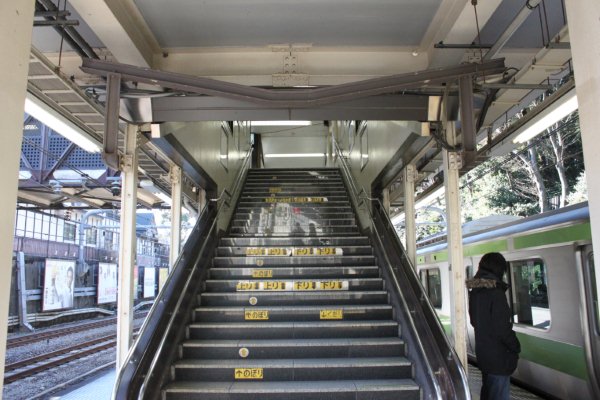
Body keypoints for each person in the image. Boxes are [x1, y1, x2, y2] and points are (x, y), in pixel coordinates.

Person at [466, 252, 520, 400]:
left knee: (488, 393)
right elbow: (502, 328)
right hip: (499, 359)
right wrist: (515, 346)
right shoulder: (496, 293)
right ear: (499, 269)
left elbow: (474, 321)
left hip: (484, 354)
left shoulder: (476, 291)